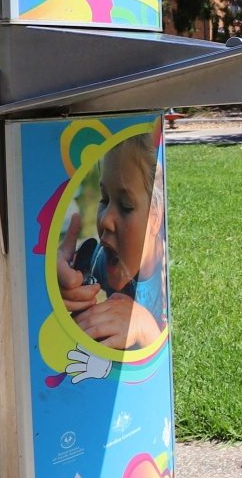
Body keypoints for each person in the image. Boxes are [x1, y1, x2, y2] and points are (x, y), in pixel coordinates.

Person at [55, 126, 167, 354]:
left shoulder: (167, 283)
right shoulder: (100, 260)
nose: (104, 221)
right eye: (104, 200)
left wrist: (146, 329)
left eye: (126, 207)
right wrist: (59, 279)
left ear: (155, 219)